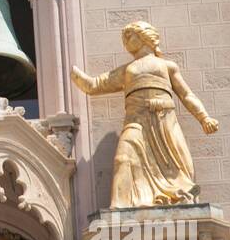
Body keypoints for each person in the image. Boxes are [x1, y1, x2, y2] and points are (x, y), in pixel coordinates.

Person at [71, 21, 218, 208]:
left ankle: (174, 195)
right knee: (123, 158)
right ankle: (120, 205)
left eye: (129, 36)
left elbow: (187, 95)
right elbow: (93, 85)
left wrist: (204, 117)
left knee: (174, 165)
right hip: (136, 120)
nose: (125, 41)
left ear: (145, 37)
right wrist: (68, 69)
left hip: (164, 120)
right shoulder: (127, 70)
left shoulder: (167, 66)